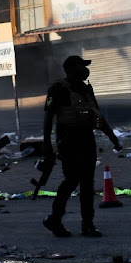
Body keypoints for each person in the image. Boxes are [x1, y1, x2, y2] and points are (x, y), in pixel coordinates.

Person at [41, 55, 122, 237]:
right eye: (81, 66)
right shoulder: (58, 89)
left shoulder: (86, 90)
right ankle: (55, 219)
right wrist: (47, 145)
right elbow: (48, 118)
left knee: (87, 184)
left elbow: (98, 117)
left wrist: (113, 138)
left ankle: (88, 224)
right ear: (71, 69)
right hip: (69, 141)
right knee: (71, 181)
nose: (85, 70)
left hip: (87, 140)